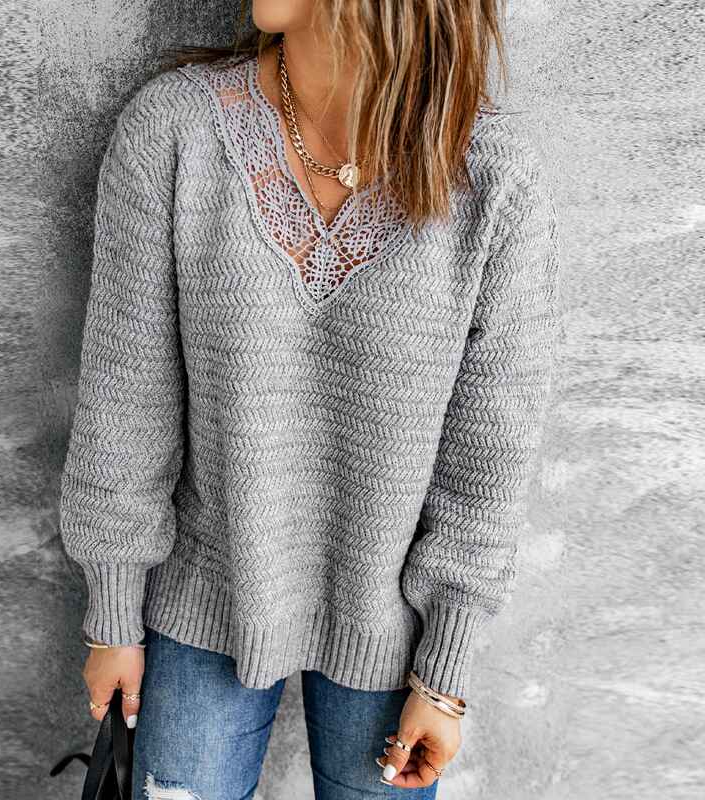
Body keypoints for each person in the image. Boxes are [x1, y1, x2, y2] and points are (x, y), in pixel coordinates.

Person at [58, 1, 561, 797]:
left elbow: (488, 457)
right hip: (205, 593)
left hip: (396, 631)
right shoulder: (176, 130)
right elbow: (126, 397)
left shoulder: (493, 177)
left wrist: (444, 674)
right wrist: (112, 615)